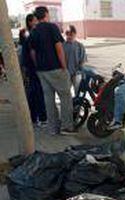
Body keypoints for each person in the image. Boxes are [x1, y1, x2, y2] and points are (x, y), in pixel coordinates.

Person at [29, 6, 74, 135]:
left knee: (49, 100)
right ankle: (66, 127)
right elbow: (59, 47)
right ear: (46, 15)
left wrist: (38, 65)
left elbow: (33, 52)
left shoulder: (34, 31)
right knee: (65, 97)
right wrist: (64, 66)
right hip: (56, 68)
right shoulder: (52, 27)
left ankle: (52, 129)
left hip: (42, 71)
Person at [21, 13, 47, 127]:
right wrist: (39, 67)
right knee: (38, 93)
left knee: (33, 93)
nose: (37, 22)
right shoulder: (31, 35)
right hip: (33, 69)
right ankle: (41, 118)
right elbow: (32, 53)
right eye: (35, 20)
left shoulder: (28, 34)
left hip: (29, 68)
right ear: (30, 22)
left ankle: (34, 118)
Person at [63, 25, 87, 93]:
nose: (69, 37)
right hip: (66, 73)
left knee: (78, 90)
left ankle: (77, 102)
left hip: (77, 72)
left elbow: (82, 60)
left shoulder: (79, 46)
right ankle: (68, 103)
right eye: (68, 34)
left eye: (71, 35)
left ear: (75, 34)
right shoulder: (62, 46)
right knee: (66, 92)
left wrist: (81, 72)